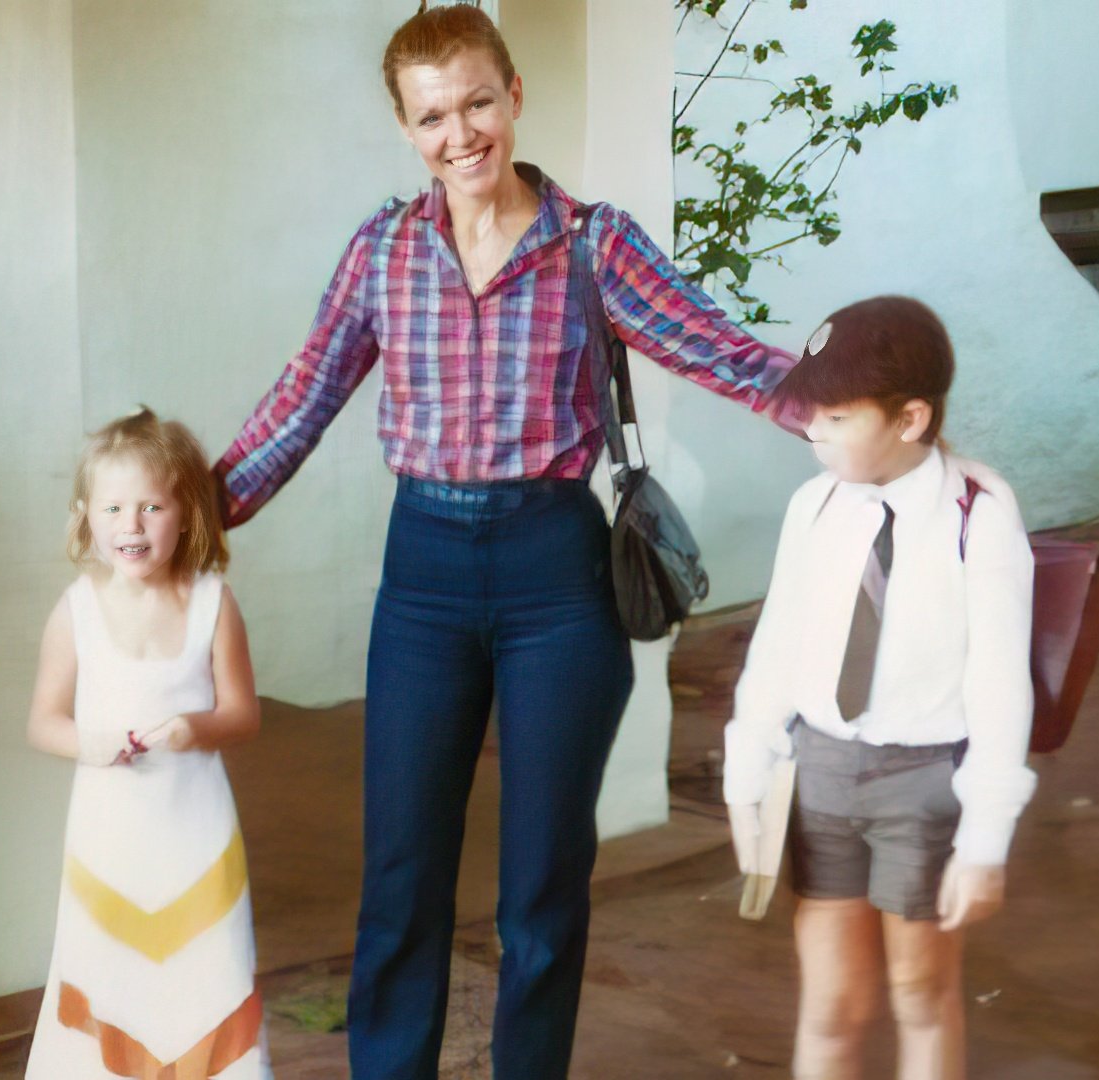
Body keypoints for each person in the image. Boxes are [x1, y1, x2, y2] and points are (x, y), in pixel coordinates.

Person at [212, 7, 804, 1075]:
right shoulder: (385, 251)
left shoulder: (593, 243)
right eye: (432, 114)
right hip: (424, 579)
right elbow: (300, 402)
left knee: (541, 882)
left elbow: (715, 349)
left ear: (516, 95)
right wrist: (189, 520)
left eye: (477, 101)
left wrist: (846, 405)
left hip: (556, 579)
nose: (461, 132)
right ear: (406, 128)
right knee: (401, 874)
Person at [723, 296, 1038, 1080]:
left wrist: (986, 840)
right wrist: (745, 775)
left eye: (834, 415)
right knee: (830, 1008)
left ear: (910, 418)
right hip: (821, 774)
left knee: (920, 993)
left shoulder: (980, 511)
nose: (811, 429)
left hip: (924, 784)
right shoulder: (816, 505)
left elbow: (1002, 682)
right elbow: (778, 647)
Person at [25, 408, 271, 1078]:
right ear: (86, 517)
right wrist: (91, 742)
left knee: (205, 976)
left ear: (187, 513)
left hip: (197, 838)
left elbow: (243, 714)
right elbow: (43, 721)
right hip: (108, 842)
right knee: (110, 980)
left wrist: (196, 728)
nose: (130, 526)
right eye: (112, 508)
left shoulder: (213, 604)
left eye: (151, 507)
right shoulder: (76, 610)